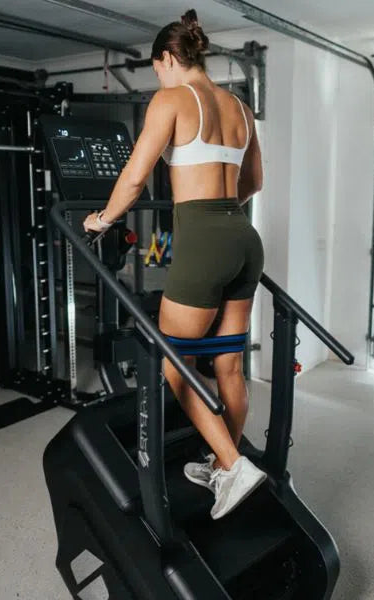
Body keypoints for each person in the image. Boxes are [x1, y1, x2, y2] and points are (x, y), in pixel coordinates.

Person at [83, 9, 266, 520]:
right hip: (243, 237)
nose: (157, 77)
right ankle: (220, 462)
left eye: (156, 68)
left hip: (204, 241)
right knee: (228, 362)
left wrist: (101, 219)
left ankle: (232, 466)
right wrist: (221, 211)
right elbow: (253, 183)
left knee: (176, 366)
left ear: (167, 58)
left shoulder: (171, 100)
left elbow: (135, 177)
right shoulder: (240, 108)